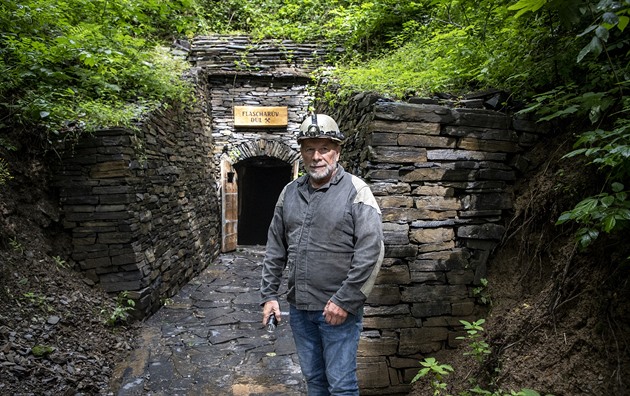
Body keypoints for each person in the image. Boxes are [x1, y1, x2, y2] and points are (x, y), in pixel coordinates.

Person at [260, 113, 384, 396]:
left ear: (337, 151)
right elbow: (275, 248)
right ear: (302, 152)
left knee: (341, 385)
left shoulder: (357, 191)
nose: (316, 156)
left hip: (337, 312)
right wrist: (269, 295)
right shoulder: (289, 193)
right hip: (301, 310)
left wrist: (345, 300)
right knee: (315, 380)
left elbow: (372, 251)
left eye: (324, 149)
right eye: (309, 149)